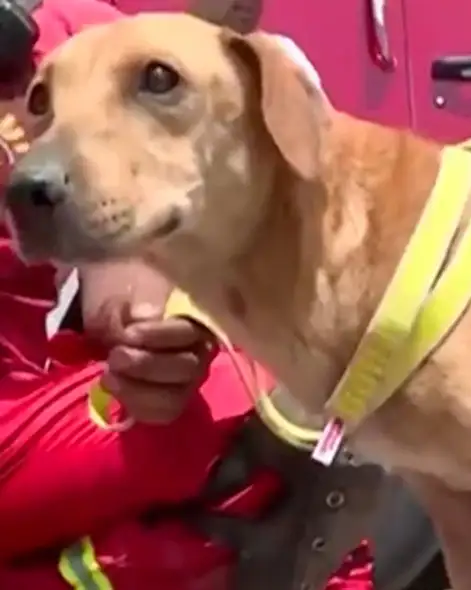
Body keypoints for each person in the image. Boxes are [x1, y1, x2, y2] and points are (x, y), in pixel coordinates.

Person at [0, 0, 374, 588]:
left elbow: (133, 278)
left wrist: (172, 318)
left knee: (251, 392)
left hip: (59, 405)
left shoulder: (80, 41)